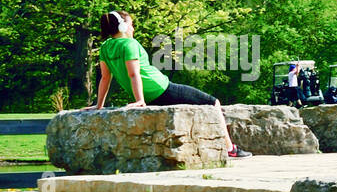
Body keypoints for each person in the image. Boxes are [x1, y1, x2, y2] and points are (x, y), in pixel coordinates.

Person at [92, 10, 251, 158]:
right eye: (132, 25)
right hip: (163, 89)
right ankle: (230, 149)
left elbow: (105, 78)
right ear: (124, 26)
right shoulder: (129, 44)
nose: (133, 29)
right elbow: (133, 74)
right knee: (213, 102)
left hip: (151, 96)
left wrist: (99, 106)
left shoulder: (105, 47)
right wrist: (140, 101)